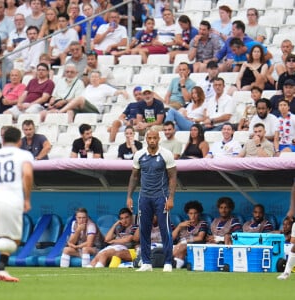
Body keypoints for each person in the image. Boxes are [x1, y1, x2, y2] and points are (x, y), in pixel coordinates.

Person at [127, 128, 177, 272]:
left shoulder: (166, 155)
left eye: (155, 138)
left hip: (161, 196)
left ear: (159, 139)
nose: (152, 141)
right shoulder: (139, 155)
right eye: (150, 138)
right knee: (144, 229)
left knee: (164, 228)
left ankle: (168, 262)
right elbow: (134, 176)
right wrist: (129, 196)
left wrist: (171, 198)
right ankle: (146, 262)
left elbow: (173, 177)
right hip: (144, 197)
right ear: (146, 139)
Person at [0, 126, 33, 282]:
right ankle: (1, 268)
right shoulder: (23, 154)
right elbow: (28, 174)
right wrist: (27, 199)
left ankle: (1, 270)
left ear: (2, 140)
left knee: (2, 236)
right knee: (13, 242)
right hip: (11, 200)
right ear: (19, 141)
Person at [58, 70, 128, 118]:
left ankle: (60, 112)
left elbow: (117, 91)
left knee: (80, 99)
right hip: (84, 108)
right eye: (92, 77)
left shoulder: (104, 87)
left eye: (96, 77)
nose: (94, 79)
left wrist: (123, 91)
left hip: (95, 109)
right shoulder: (88, 87)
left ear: (99, 78)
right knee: (70, 111)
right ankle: (71, 127)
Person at [172, 201, 208, 269]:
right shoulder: (183, 224)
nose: (193, 216)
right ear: (187, 214)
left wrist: (184, 242)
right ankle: (176, 263)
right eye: (190, 213)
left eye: (195, 213)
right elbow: (171, 239)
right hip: (178, 247)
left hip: (192, 248)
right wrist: (179, 226)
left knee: (183, 246)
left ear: (199, 214)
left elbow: (200, 238)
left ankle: (169, 259)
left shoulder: (202, 223)